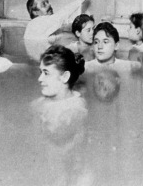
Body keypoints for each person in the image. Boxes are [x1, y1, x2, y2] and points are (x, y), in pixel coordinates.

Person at [31, 45, 91, 186]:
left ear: (65, 77)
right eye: (40, 72)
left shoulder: (75, 109)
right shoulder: (38, 103)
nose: (40, 78)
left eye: (46, 73)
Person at [24, 0, 90, 61]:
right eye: (44, 4)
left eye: (48, 2)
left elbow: (68, 23)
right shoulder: (35, 23)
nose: (49, 5)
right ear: (35, 12)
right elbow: (59, 17)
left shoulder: (46, 28)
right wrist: (79, 0)